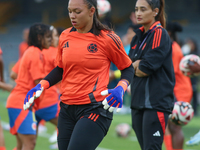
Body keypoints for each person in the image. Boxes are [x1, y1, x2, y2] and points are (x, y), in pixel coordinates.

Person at [23, 0, 134, 150]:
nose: (72, 16)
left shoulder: (108, 38)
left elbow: (128, 68)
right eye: (70, 11)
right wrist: (41, 85)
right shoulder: (65, 36)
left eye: (77, 11)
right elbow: (61, 69)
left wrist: (120, 88)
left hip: (95, 108)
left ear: (92, 11)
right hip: (66, 109)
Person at [128, 0, 175, 150]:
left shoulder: (159, 34)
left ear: (155, 12)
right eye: (136, 9)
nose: (138, 13)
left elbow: (145, 69)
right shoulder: (137, 37)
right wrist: (135, 65)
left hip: (155, 103)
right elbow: (128, 67)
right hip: (137, 102)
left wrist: (136, 65)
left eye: (143, 9)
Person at [6, 23, 51, 150]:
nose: (50, 40)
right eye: (48, 37)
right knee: (29, 143)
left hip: (20, 102)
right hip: (21, 103)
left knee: (22, 145)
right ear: (39, 37)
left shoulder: (31, 51)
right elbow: (39, 82)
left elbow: (14, 73)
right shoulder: (35, 53)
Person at [164, 21, 193, 150]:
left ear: (168, 32)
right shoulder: (171, 46)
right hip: (177, 88)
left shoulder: (173, 48)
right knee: (169, 125)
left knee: (175, 126)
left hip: (180, 90)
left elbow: (170, 73)